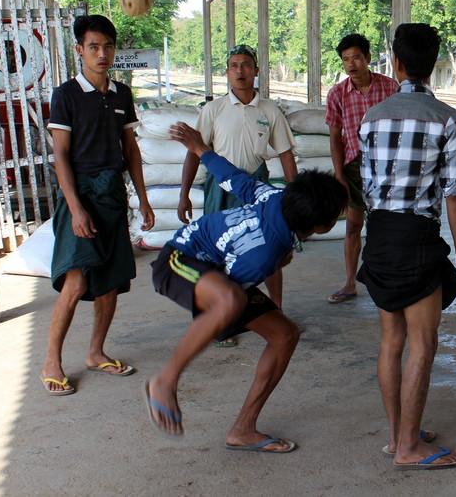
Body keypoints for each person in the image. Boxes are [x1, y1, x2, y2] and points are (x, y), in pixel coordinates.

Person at [144, 122, 347, 450]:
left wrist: (201, 149)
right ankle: (165, 381)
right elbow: (228, 296)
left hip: (217, 271)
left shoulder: (276, 195)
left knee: (284, 336)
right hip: (178, 261)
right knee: (228, 302)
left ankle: (243, 429)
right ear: (320, 227)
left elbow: (234, 177)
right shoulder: (265, 255)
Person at [357, 23, 456, 470]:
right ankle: (409, 447)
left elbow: (368, 182)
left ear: (397, 62)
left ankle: (397, 435)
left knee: (392, 341)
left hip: (380, 236)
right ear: (432, 63)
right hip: (417, 238)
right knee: (423, 344)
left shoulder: (373, 116)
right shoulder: (447, 119)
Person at [41, 14, 155, 396]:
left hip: (112, 195)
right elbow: (60, 155)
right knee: (75, 282)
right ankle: (52, 361)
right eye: (93, 47)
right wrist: (74, 208)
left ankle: (95, 353)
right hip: (81, 194)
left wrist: (142, 198)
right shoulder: (66, 95)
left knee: (109, 283)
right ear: (80, 50)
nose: (102, 53)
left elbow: (131, 150)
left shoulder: (122, 95)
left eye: (108, 46)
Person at [177, 44, 297, 346]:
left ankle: (277, 310)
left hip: (256, 185)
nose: (240, 70)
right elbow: (195, 153)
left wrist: (294, 197)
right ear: (227, 72)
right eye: (233, 65)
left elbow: (285, 155)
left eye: (246, 65)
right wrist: (184, 194)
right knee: (216, 253)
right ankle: (219, 319)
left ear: (257, 71)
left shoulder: (269, 110)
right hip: (220, 187)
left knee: (271, 250)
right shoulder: (213, 110)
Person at [324, 33, 398, 304]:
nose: (351, 64)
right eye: (345, 59)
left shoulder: (390, 88)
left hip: (386, 167)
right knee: (354, 225)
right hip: (354, 167)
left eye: (356, 57)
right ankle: (349, 282)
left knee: (385, 224)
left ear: (368, 58)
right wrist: (340, 175)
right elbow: (335, 137)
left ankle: (388, 280)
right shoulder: (337, 94)